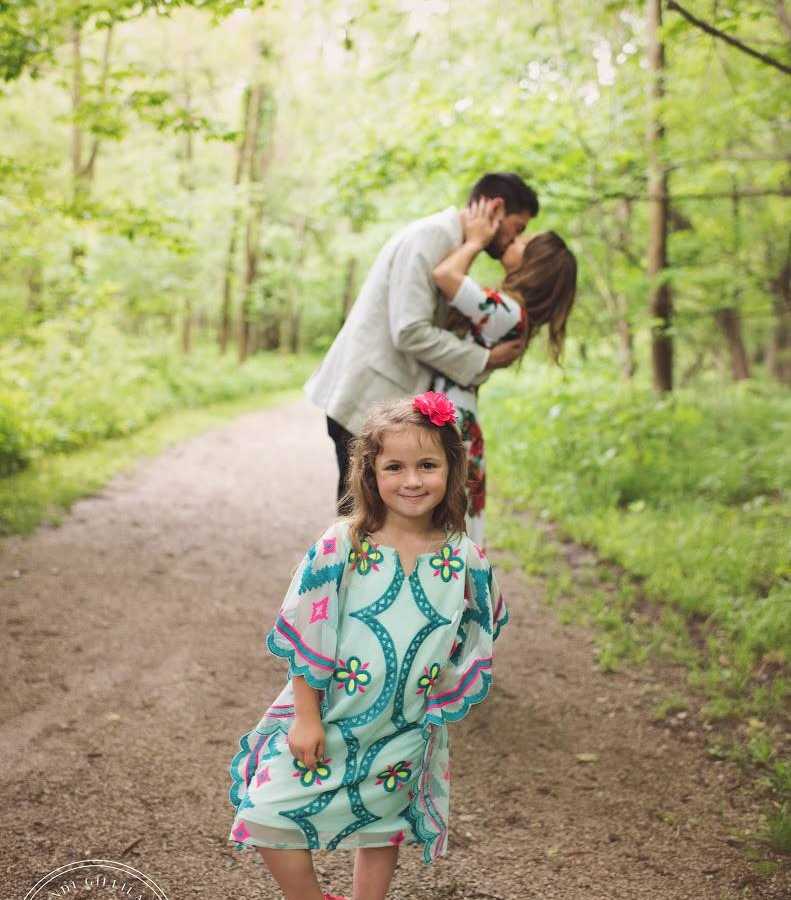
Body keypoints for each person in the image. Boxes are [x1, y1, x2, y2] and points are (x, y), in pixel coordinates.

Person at [228, 392, 508, 900]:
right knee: (266, 809)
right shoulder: (344, 545)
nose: (412, 480)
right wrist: (307, 715)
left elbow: (481, 624)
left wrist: (437, 688)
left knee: (382, 827)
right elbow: (307, 634)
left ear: (451, 468)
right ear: (370, 474)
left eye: (427, 465)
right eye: (395, 467)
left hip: (404, 725)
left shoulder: (465, 558)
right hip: (333, 713)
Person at [305, 173, 539, 512]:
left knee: (377, 531)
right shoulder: (431, 237)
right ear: (496, 208)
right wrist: (484, 358)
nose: (513, 240)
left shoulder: (450, 245)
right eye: (516, 228)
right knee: (361, 529)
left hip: (380, 405)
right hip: (364, 401)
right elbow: (410, 331)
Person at [431, 199, 578, 545]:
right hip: (456, 414)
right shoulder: (511, 311)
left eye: (522, 243)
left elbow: (444, 276)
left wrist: (475, 242)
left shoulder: (508, 312)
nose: (511, 242)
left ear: (534, 264)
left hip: (452, 419)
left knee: (445, 536)